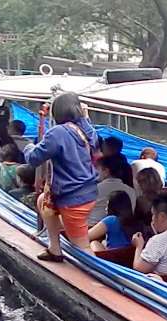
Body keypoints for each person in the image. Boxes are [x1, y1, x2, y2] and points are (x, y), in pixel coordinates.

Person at [24, 92, 99, 262]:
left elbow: (34, 158)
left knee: (82, 245)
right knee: (44, 201)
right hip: (87, 193)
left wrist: (28, 147)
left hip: (73, 198)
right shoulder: (86, 130)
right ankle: (55, 249)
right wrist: (85, 117)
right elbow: (93, 137)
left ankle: (100, 279)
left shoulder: (58, 133)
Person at [88, 154, 137, 225]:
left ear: (106, 171)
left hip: (91, 228)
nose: (95, 172)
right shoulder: (131, 191)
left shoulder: (94, 188)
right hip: (122, 230)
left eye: (97, 169)